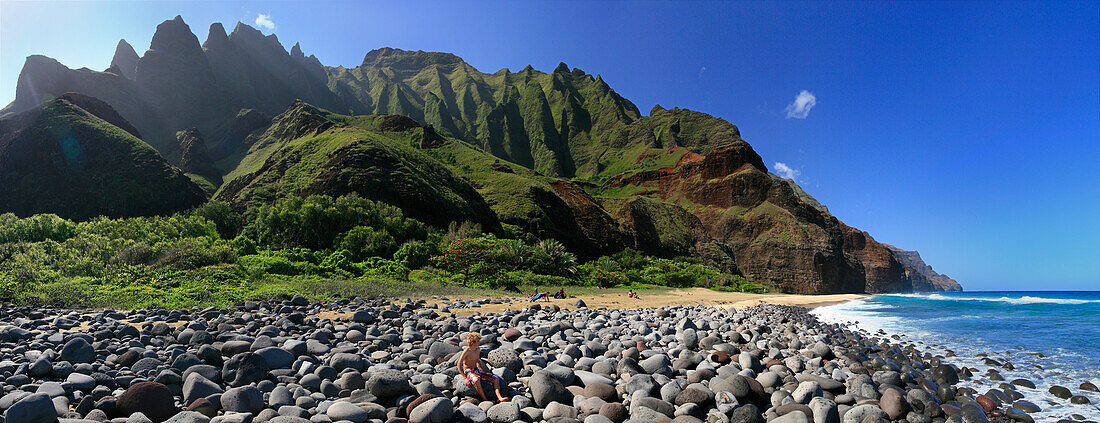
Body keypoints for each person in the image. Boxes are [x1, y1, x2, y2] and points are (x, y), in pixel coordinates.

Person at [458, 332, 508, 402]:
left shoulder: (477, 349)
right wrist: (465, 378)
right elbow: (459, 365)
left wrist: (482, 371)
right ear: (473, 341)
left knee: (496, 378)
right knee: (476, 380)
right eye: (478, 340)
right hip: (468, 370)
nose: (479, 342)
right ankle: (485, 399)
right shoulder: (467, 351)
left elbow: (478, 361)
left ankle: (499, 397)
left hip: (476, 370)